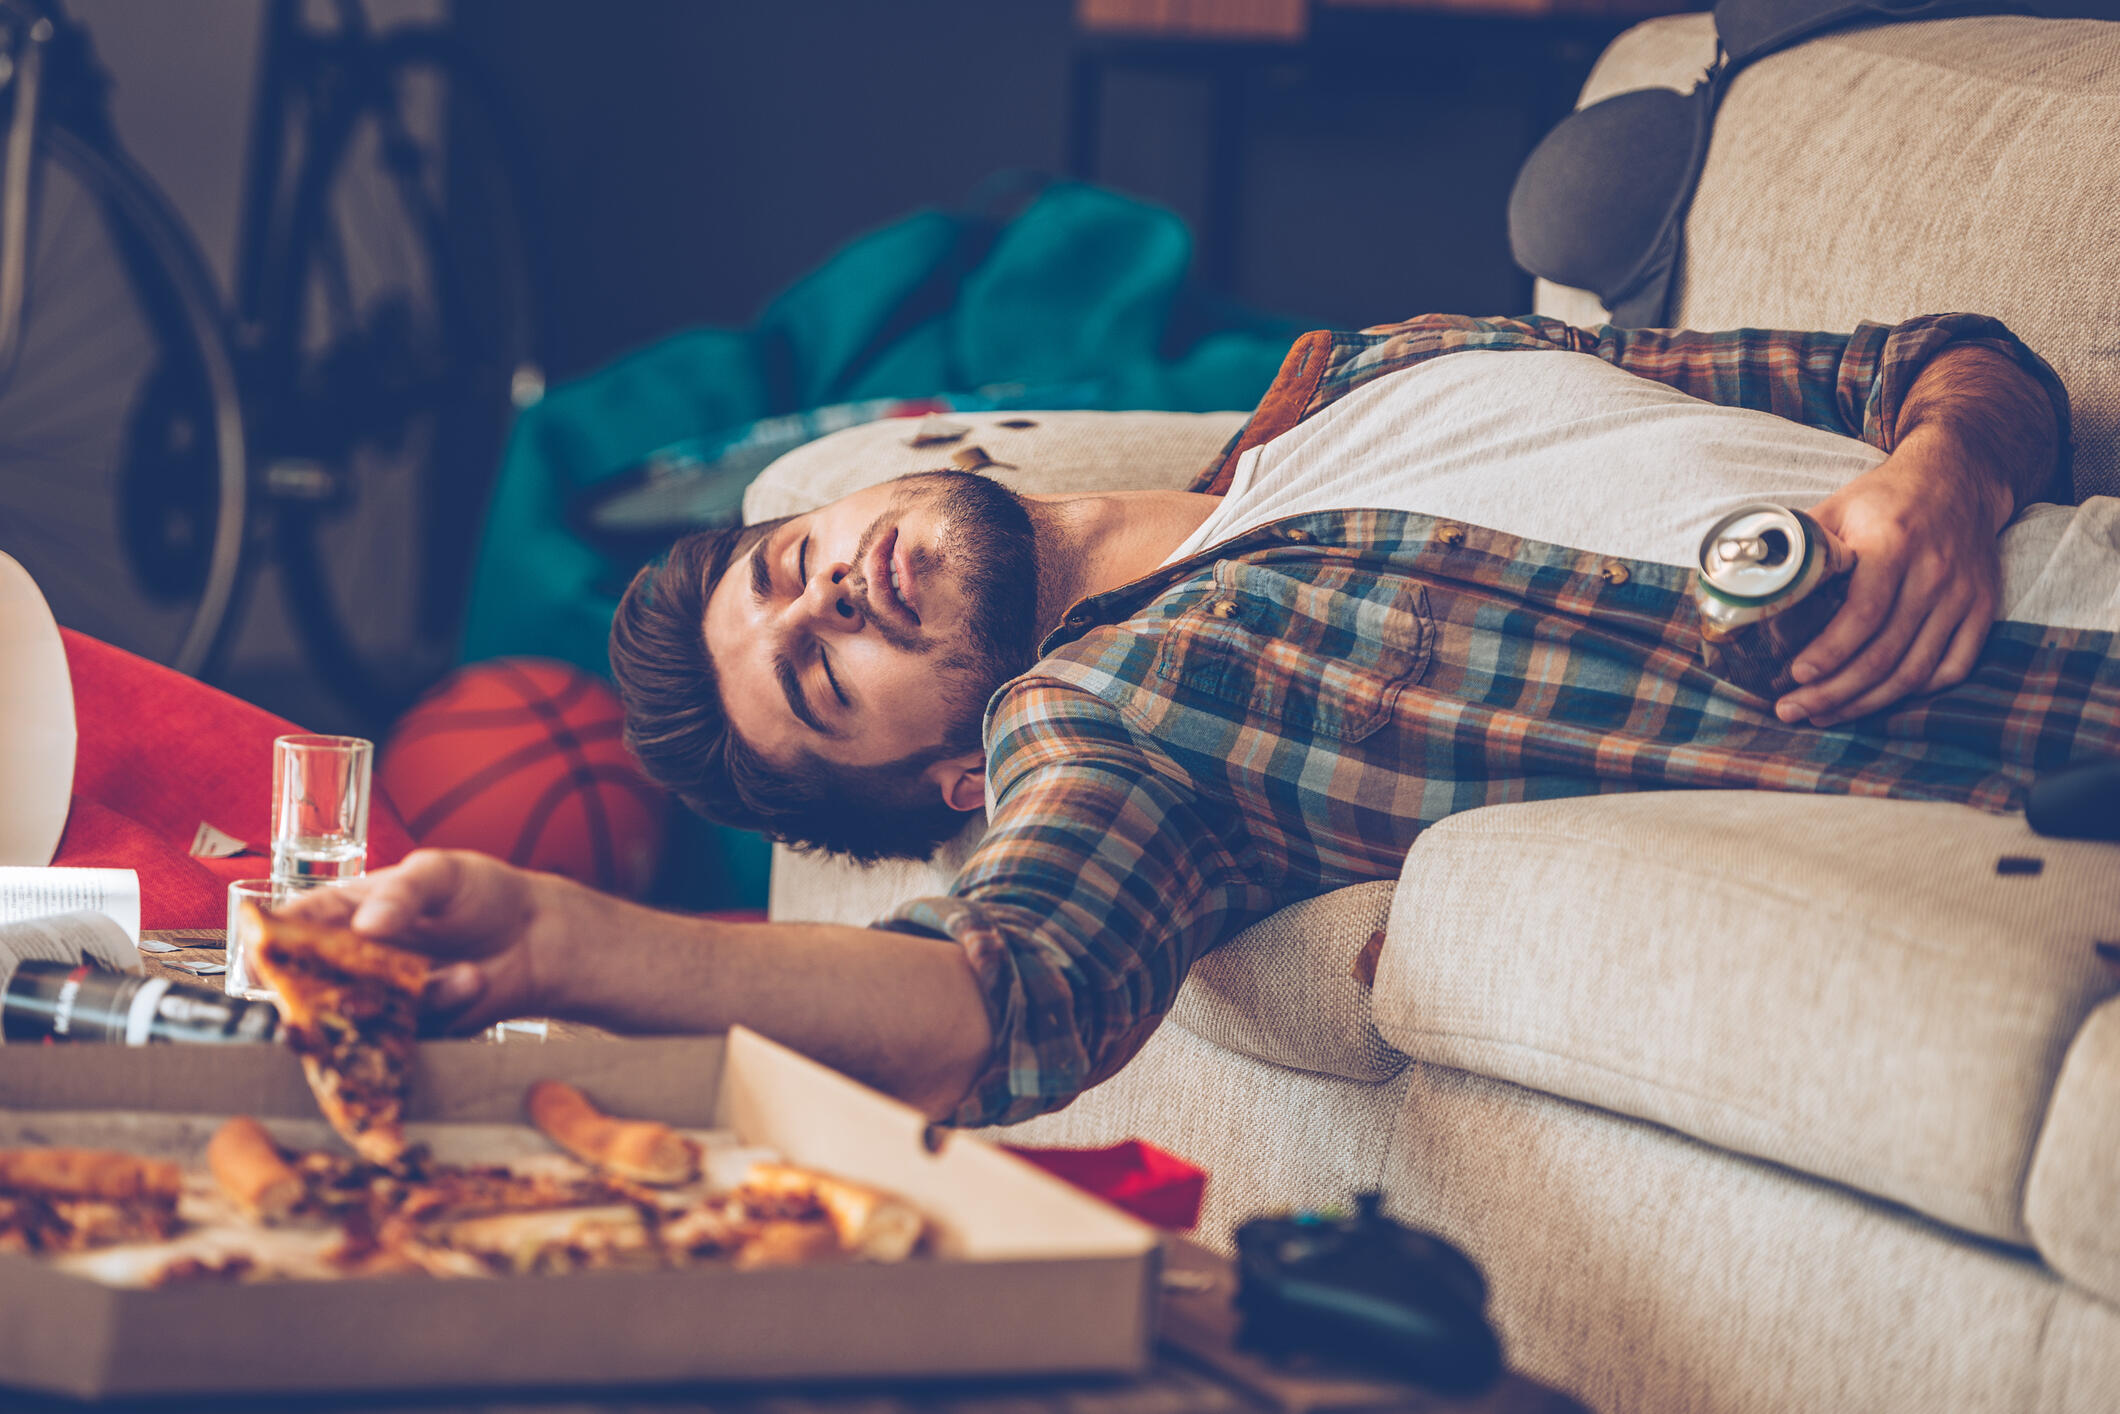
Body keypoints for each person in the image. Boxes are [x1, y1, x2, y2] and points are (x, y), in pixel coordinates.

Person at [299, 313, 2119, 1126]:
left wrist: (1946, 469)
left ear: (895, 476)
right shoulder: (1116, 719)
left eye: (790, 563)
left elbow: (1930, 354)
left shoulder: (1395, 363)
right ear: (945, 766)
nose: (828, 595)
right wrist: (576, 941)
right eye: (813, 677)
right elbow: (998, 1004)